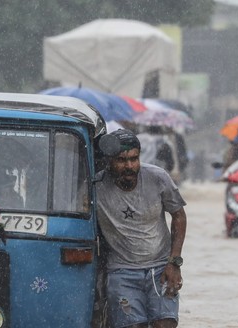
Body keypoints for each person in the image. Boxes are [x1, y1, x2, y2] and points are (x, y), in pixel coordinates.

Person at [94, 129, 187, 328]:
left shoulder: (158, 178)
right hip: (121, 271)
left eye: (134, 159)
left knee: (166, 324)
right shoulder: (95, 186)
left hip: (161, 267)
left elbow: (178, 214)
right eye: (121, 160)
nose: (129, 166)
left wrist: (175, 262)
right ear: (108, 161)